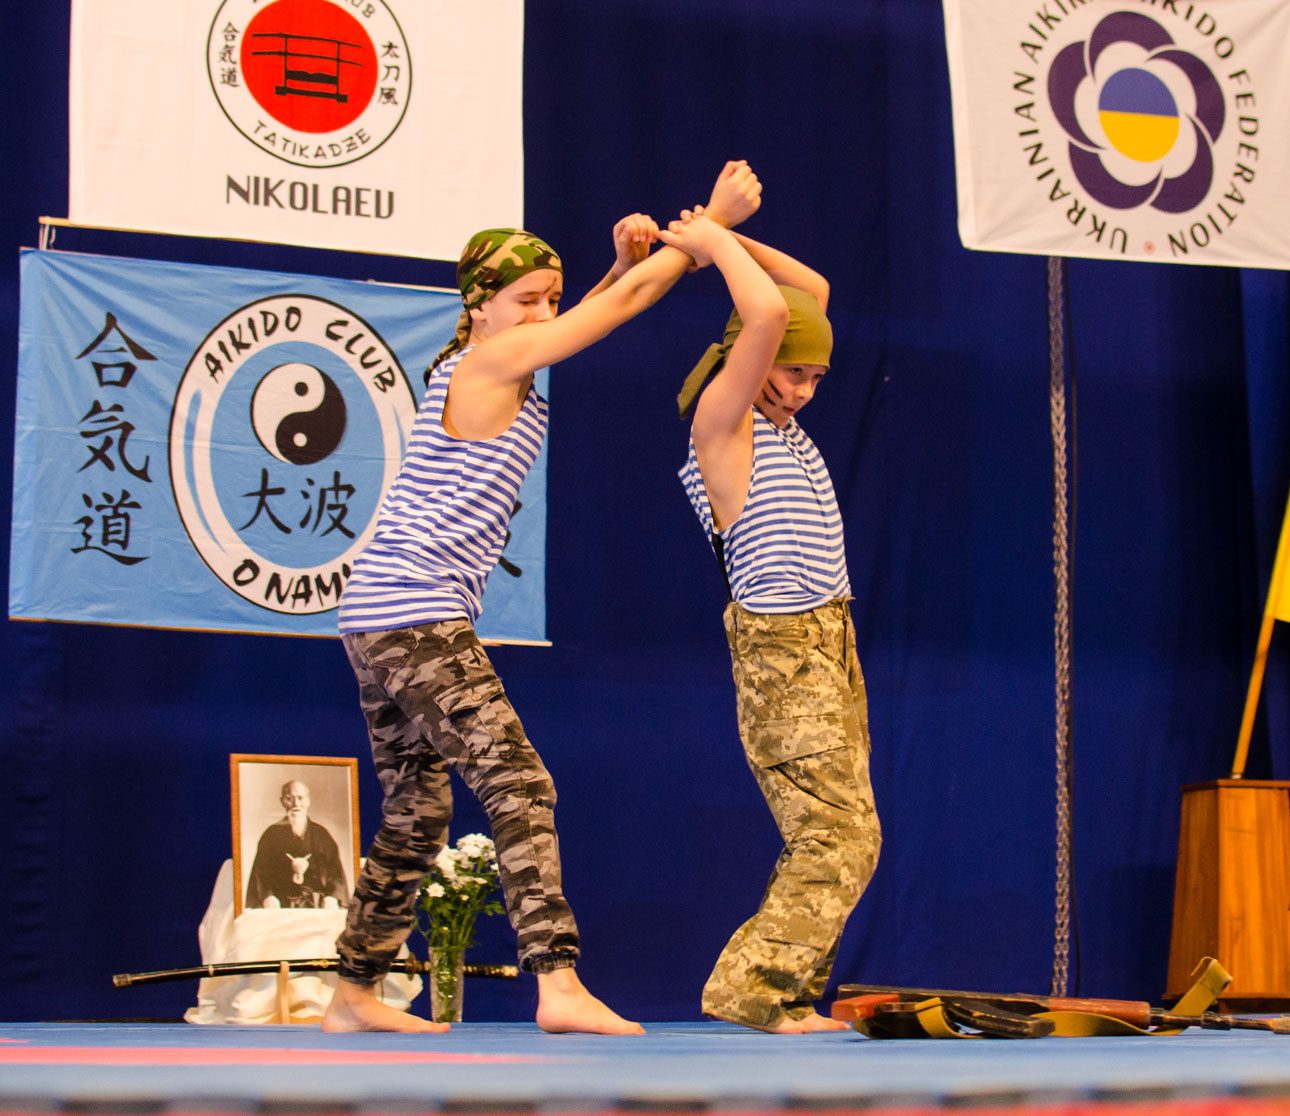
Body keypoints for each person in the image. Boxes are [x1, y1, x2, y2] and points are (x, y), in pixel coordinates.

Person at [322, 162, 764, 1035]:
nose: (541, 313)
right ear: (479, 304)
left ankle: (352, 992)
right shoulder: (490, 357)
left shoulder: (500, 352)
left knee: (418, 809)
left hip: (379, 610)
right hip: (410, 610)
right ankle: (557, 984)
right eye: (526, 299)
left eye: (550, 299)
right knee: (520, 783)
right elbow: (619, 309)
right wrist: (708, 228)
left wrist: (619, 265)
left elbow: (596, 309)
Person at [670, 209, 881, 1033]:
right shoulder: (723, 427)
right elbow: (764, 312)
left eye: (815, 378)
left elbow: (808, 291)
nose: (798, 391)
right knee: (836, 835)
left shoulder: (782, 426)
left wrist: (714, 230)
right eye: (789, 372)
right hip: (782, 649)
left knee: (848, 833)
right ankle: (751, 988)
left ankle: (788, 990)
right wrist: (715, 235)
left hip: (831, 639)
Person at [246, 779, 351, 910]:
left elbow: (335, 872)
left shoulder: (321, 835)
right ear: (282, 801)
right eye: (289, 799)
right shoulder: (271, 835)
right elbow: (261, 872)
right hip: (280, 905)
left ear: (308, 801)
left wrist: (333, 897)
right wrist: (268, 896)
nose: (296, 804)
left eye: (301, 798)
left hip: (317, 905)